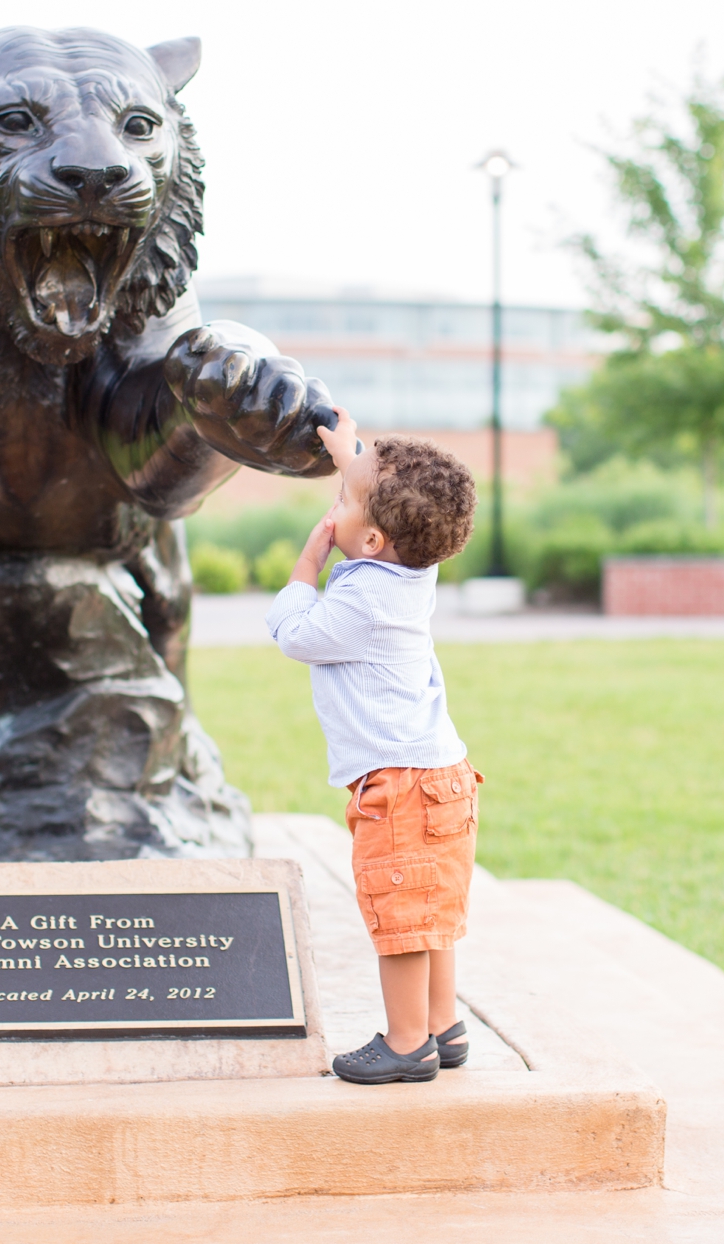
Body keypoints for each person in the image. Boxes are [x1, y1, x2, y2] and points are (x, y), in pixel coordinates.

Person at [267, 406, 482, 1084]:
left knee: (400, 918)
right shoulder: (415, 566)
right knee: (432, 913)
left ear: (373, 540)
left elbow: (294, 633)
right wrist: (348, 452)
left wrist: (308, 559)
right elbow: (384, 493)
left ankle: (406, 1042)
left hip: (401, 786)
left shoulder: (360, 606)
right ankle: (444, 1025)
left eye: (343, 501)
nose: (335, 509)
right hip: (442, 773)